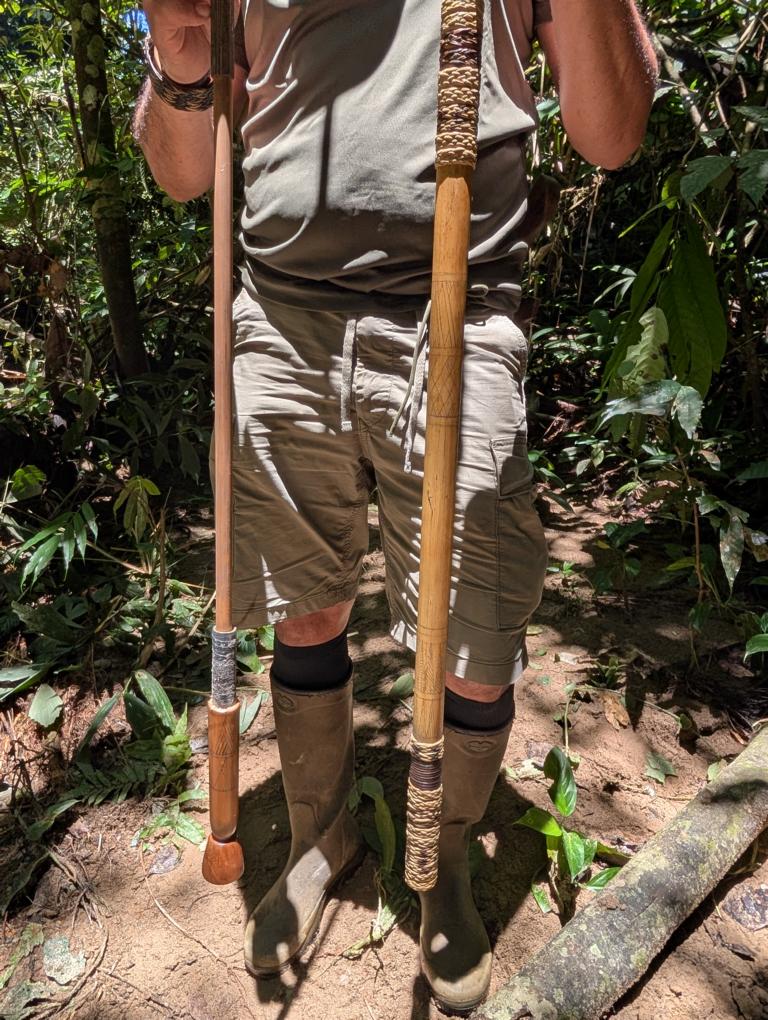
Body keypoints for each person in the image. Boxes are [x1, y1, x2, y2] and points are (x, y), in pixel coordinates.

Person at [134, 1, 656, 1011]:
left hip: (462, 305)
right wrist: (182, 66)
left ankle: (444, 857)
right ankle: (321, 831)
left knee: (473, 635)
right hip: (279, 316)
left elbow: (611, 136)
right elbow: (182, 171)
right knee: (305, 605)